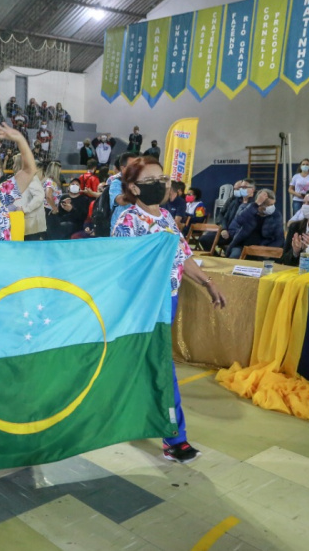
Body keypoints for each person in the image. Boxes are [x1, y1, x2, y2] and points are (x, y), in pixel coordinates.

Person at [112, 156, 226, 464]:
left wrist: (208, 283)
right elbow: (122, 269)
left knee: (148, 366)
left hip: (169, 301)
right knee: (162, 368)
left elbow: (184, 256)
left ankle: (136, 418)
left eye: (163, 179)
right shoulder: (127, 220)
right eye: (153, 181)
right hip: (146, 305)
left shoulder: (165, 217)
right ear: (134, 188)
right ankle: (175, 440)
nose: (163, 185)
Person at [225, 189, 284, 259]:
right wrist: (255, 205)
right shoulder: (246, 208)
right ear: (260, 204)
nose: (272, 207)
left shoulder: (276, 215)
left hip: (263, 248)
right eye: (269, 205)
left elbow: (280, 238)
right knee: (234, 257)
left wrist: (268, 251)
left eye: (273, 204)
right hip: (242, 245)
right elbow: (239, 220)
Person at [11, 153, 46, 240]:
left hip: (31, 224)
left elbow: (39, 196)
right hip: (21, 221)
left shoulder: (31, 178)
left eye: (15, 163)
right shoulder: (19, 178)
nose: (13, 165)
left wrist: (25, 209)